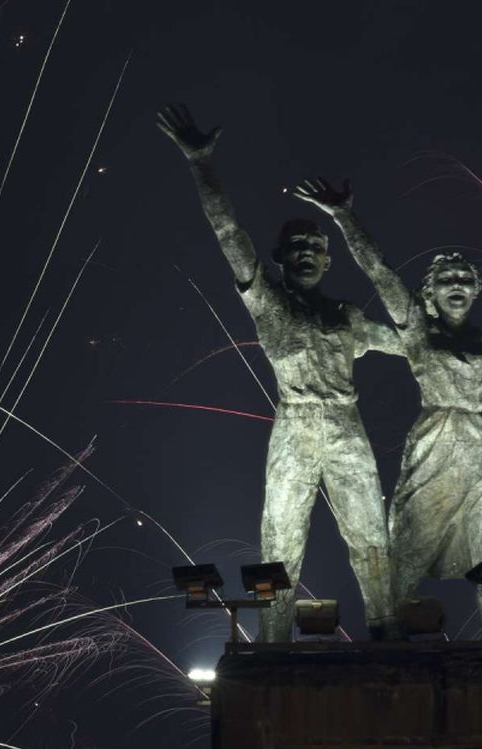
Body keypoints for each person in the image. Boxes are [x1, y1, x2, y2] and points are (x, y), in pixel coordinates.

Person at [158, 105, 403, 641]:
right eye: (297, 248)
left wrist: (347, 219)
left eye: (317, 248)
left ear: (329, 260)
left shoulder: (349, 319)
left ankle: (387, 631)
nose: (308, 254)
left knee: (371, 534)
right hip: (293, 425)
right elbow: (228, 232)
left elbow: (414, 343)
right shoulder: (268, 303)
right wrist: (202, 164)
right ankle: (272, 637)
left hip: (345, 426)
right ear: (280, 258)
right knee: (280, 536)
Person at [294, 177, 482, 640]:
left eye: (464, 280)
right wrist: (344, 217)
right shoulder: (418, 332)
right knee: (408, 541)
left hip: (479, 448)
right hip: (433, 441)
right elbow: (380, 272)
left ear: (477, 290)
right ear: (431, 291)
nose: (456, 286)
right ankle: (386, 633)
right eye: (447, 280)